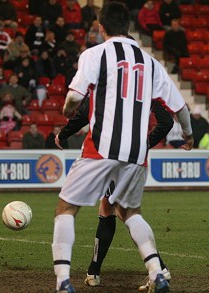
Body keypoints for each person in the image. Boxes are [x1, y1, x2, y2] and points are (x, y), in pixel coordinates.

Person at [51, 2, 193, 292]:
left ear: (101, 27)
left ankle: (63, 280)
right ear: (128, 27)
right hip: (136, 153)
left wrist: (67, 111)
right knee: (130, 212)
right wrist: (188, 136)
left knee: (66, 208)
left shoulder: (95, 54)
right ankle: (156, 272)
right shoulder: (151, 62)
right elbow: (182, 110)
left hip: (101, 147)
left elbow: (75, 96)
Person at [54, 96, 174, 290]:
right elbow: (167, 122)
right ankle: (93, 273)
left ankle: (158, 269)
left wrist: (64, 133)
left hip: (110, 153)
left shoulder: (106, 83)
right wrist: (145, 144)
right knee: (107, 208)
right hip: (134, 156)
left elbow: (82, 112)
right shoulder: (144, 86)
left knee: (122, 212)